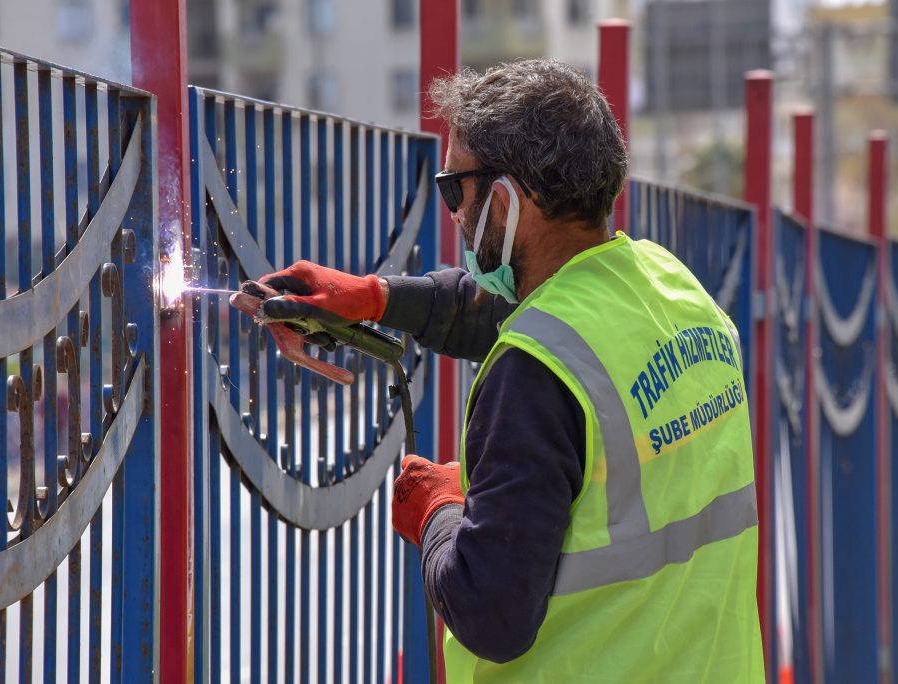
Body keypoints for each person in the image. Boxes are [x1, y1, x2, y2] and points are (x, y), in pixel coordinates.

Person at [257, 59, 763, 683]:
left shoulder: (535, 371)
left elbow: (491, 612)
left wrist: (438, 509)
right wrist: (375, 296)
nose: (452, 213)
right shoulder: (671, 289)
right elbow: (508, 312)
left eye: (454, 190)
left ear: (504, 198)